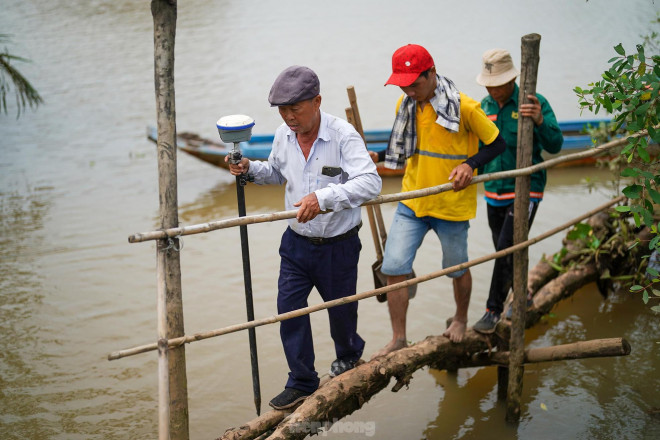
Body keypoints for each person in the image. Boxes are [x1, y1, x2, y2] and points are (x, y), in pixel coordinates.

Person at [226, 65, 382, 410]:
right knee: (289, 310)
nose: (288, 117)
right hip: (296, 243)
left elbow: (371, 182)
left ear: (317, 101)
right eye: (283, 110)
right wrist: (250, 169)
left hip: (338, 244)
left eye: (295, 108)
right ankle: (301, 380)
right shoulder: (284, 134)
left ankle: (348, 358)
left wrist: (323, 199)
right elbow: (277, 173)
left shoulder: (343, 135)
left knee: (340, 311)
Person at [370, 44, 506, 359]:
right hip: (413, 202)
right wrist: (377, 154)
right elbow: (401, 144)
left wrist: (470, 164)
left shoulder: (465, 108)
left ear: (431, 73)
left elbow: (496, 143)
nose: (409, 90)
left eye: (414, 83)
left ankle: (460, 319)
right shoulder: (406, 106)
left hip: (451, 207)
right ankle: (398, 339)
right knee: (393, 266)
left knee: (456, 268)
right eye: (402, 84)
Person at [472, 48, 563, 334]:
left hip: (526, 187)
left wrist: (538, 119)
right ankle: (522, 294)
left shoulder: (533, 102)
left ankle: (492, 309)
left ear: (511, 80)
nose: (492, 88)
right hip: (493, 190)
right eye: (488, 83)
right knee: (508, 250)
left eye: (497, 82)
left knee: (505, 249)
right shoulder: (482, 107)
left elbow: (555, 144)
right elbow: (475, 149)